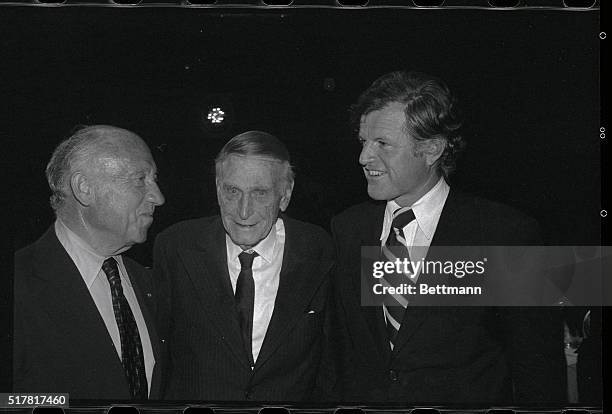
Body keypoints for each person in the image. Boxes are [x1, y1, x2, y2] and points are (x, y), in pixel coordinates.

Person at [330, 71, 567, 404]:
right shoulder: (346, 229)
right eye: (363, 141)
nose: (364, 157)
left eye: (382, 143)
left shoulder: (505, 234)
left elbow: (538, 370)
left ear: (431, 149)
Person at [153, 131, 334, 401]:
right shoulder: (176, 247)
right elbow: (160, 356)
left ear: (285, 195)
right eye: (232, 191)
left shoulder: (320, 250)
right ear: (217, 188)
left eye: (260, 193)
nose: (243, 211)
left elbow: (333, 360)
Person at [14, 125, 166, 400]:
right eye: (140, 179)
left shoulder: (149, 282)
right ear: (84, 188)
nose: (158, 197)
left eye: (154, 179)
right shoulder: (19, 283)